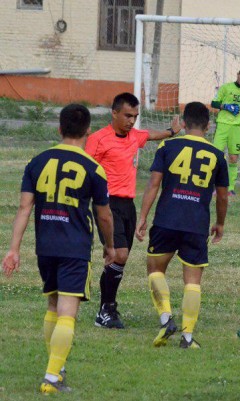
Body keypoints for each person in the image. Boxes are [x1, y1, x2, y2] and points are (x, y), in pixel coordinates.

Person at [2, 104, 115, 393]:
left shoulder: (37, 161)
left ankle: (57, 367)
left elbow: (24, 208)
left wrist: (13, 249)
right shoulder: (94, 168)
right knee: (68, 312)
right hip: (74, 247)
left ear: (59, 129)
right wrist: (110, 246)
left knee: (53, 306)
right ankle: (51, 378)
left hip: (46, 247)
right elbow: (104, 214)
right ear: (88, 131)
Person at [135, 101, 229, 348]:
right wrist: (220, 223)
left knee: (155, 268)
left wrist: (143, 216)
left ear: (184, 123)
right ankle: (187, 337)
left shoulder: (168, 145)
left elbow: (154, 184)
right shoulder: (217, 155)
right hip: (196, 223)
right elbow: (222, 195)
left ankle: (166, 318)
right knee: (193, 280)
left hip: (167, 219)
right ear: (208, 127)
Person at [85, 92, 181, 329]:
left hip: (127, 205)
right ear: (114, 113)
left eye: (135, 116)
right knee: (119, 255)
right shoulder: (98, 139)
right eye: (127, 115)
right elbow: (84, 169)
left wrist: (171, 132)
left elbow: (149, 135)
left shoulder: (134, 136)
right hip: (106, 204)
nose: (131, 121)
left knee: (119, 258)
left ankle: (106, 309)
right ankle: (106, 309)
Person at [211, 66, 240, 196]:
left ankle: (230, 188)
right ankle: (213, 187)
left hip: (236, 128)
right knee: (216, 157)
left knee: (233, 158)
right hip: (223, 125)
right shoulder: (226, 87)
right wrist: (225, 106)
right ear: (238, 74)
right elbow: (214, 103)